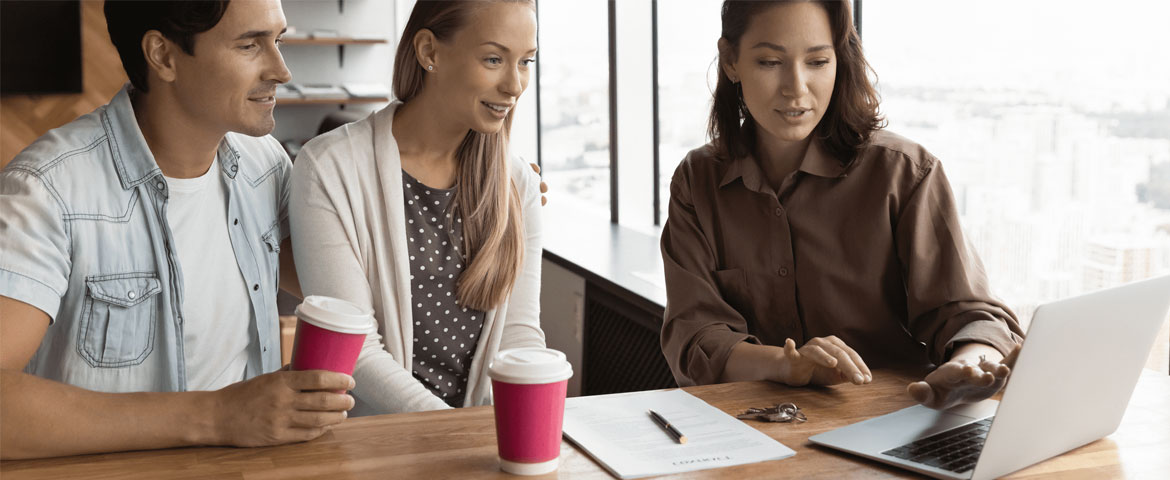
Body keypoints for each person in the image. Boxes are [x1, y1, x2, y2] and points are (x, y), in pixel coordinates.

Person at [0, 1, 354, 460]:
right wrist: (218, 416)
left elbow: (341, 289)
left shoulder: (265, 165)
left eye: (278, 40)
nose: (281, 70)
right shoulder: (47, 191)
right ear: (163, 56)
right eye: (250, 45)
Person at [660, 0, 1025, 410]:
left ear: (840, 59)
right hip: (756, 429)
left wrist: (969, 366)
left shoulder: (904, 173)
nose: (796, 88)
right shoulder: (697, 180)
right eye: (769, 62)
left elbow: (969, 314)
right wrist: (789, 365)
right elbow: (695, 338)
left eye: (817, 62)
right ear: (730, 61)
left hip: (892, 423)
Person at [290, 0, 544, 415]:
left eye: (526, 61)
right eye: (494, 58)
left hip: (472, 446)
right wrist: (451, 433)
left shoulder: (520, 185)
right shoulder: (329, 167)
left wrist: (524, 429)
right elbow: (357, 348)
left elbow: (518, 337)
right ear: (429, 52)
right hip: (369, 444)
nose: (514, 85)